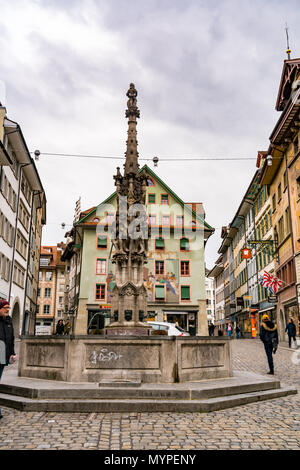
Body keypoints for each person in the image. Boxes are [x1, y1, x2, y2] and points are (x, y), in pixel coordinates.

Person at [0, 300, 17, 419]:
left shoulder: (8, 321)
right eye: (5, 307)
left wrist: (12, 353)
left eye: (8, 308)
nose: (7, 310)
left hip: (2, 356)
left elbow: (11, 338)